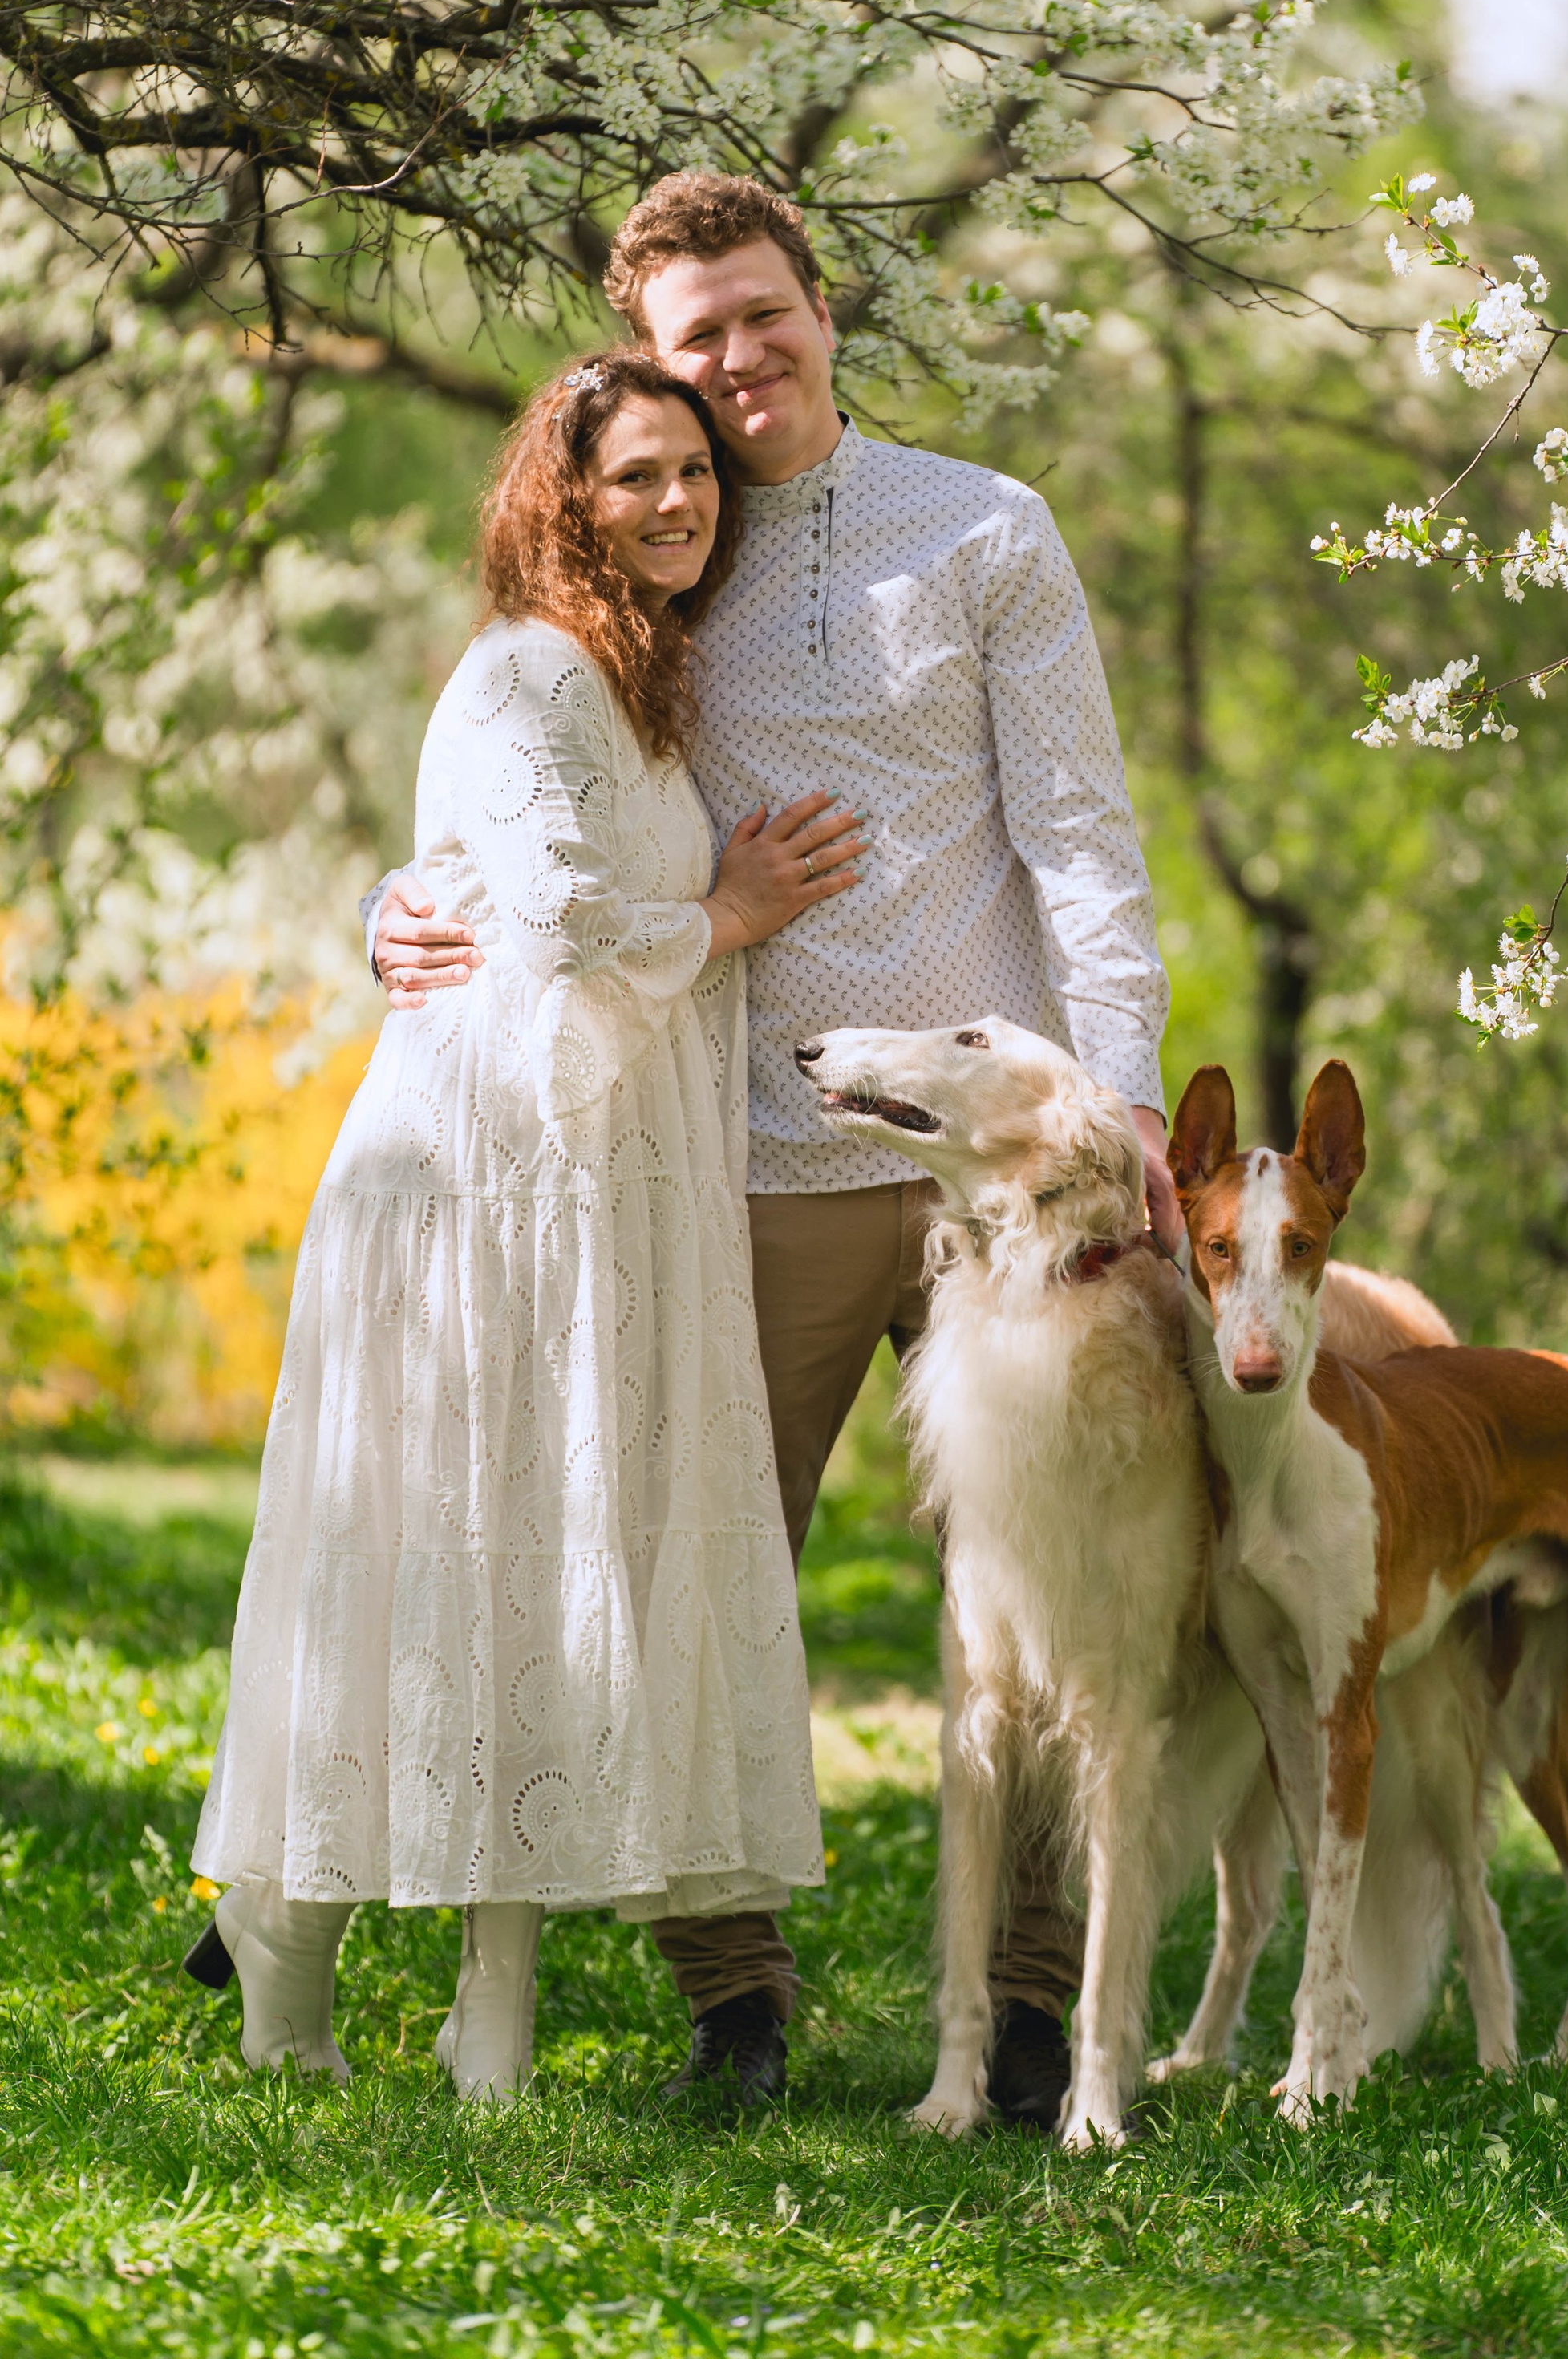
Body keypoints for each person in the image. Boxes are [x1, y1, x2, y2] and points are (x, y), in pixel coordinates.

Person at [371, 172, 1177, 2126]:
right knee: (689, 1575)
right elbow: (516, 772)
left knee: (1055, 1594)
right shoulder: (653, 544)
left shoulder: (984, 529)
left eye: (759, 316)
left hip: (1002, 1178)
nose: (734, 364)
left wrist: (1127, 1090)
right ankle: (731, 1988)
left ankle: (1034, 2002)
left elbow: (1074, 828)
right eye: (690, 340)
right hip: (737, 1150)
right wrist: (395, 904)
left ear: (822, 307)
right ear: (645, 368)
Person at [188, 353, 866, 2097]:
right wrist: (725, 910)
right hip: (476, 1186)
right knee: (434, 1557)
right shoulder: (523, 676)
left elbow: (488, 893)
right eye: (637, 475)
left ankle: (491, 2011)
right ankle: (285, 1961)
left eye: (695, 476)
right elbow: (556, 933)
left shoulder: (639, 682)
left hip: (592, 1194)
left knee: (545, 1575)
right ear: (564, 498)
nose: (676, 502)